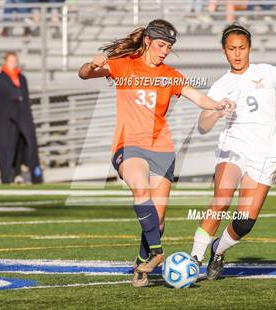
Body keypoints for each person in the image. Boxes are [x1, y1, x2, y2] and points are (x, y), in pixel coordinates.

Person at [78, 19, 235, 287]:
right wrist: (93, 64)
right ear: (148, 41)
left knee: (158, 221)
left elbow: (197, 97)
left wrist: (218, 105)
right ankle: (158, 252)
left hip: (161, 148)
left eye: (169, 46)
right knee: (141, 190)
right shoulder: (123, 64)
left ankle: (141, 266)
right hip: (129, 145)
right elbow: (83, 74)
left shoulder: (171, 75)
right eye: (162, 45)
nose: (165, 50)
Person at [190, 23, 276, 279]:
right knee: (221, 200)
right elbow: (202, 125)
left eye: (242, 48)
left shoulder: (266, 72)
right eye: (231, 48)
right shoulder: (221, 85)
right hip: (232, 148)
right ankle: (193, 260)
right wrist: (218, 111)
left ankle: (217, 251)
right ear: (224, 51)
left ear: (250, 48)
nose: (237, 53)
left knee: (245, 222)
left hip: (264, 155)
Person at [0, 52, 43, 184]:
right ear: (5, 62)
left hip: (22, 116)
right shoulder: (1, 78)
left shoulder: (22, 78)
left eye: (15, 61)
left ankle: (25, 174)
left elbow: (24, 97)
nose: (13, 63)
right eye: (10, 61)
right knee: (8, 148)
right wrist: (17, 97)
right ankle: (7, 177)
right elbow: (8, 96)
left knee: (24, 145)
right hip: (7, 120)